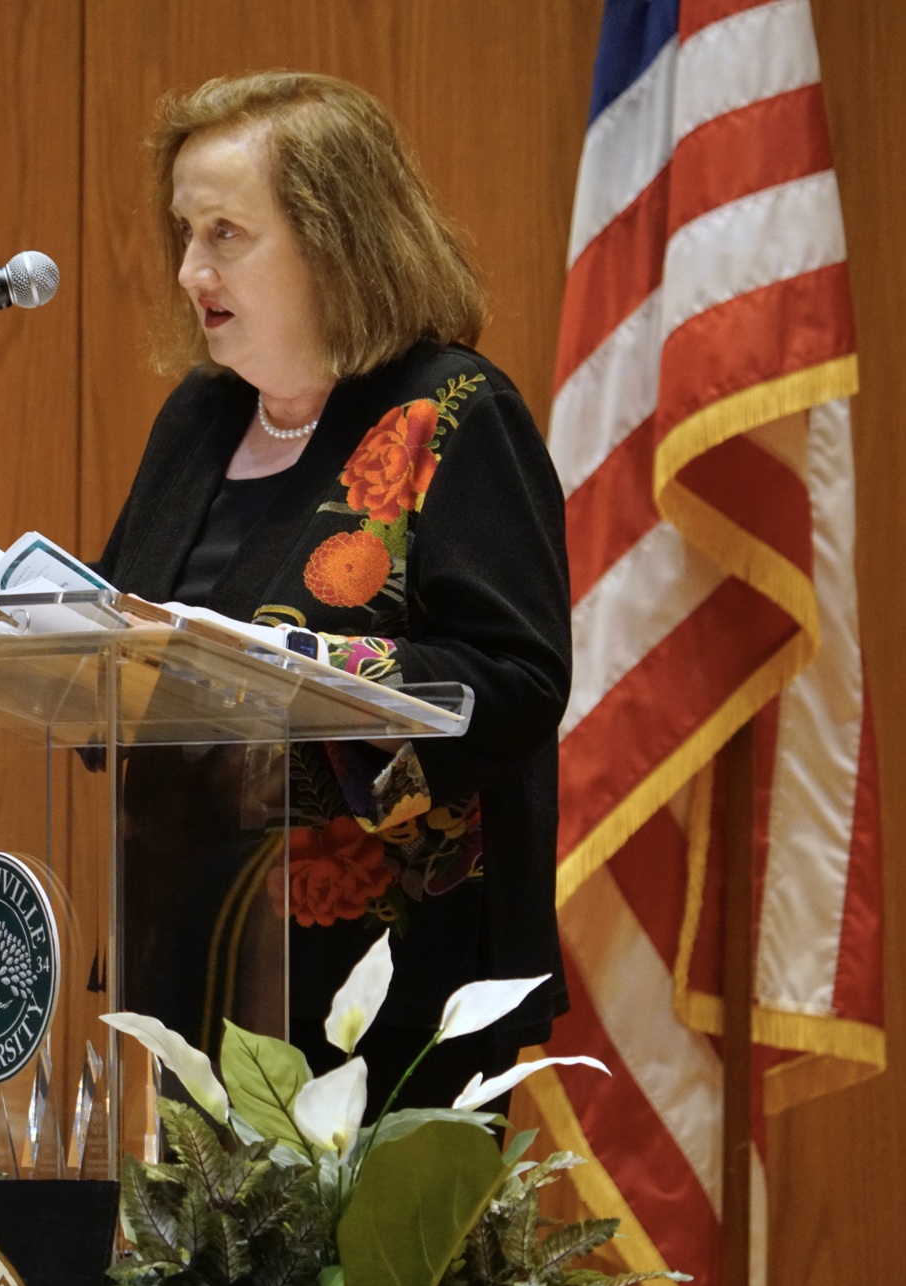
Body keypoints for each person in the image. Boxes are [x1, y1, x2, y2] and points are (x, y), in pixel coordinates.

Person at [97, 71, 571, 1108]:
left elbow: (518, 680)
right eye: (184, 231)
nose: (189, 269)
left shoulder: (451, 412)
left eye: (225, 232)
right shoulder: (199, 419)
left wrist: (299, 668)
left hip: (385, 1000)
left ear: (333, 239)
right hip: (191, 974)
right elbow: (115, 647)